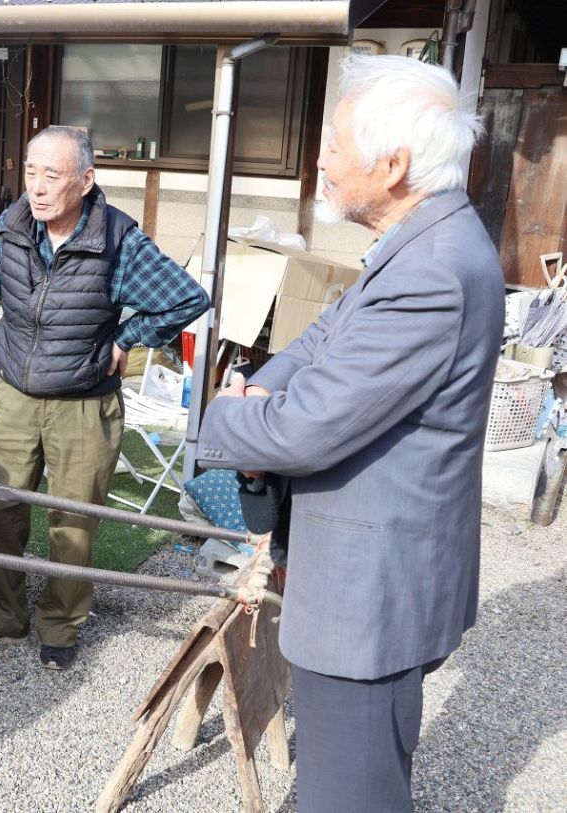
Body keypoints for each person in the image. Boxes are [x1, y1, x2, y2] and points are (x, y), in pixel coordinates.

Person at [195, 55, 502, 812]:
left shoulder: (431, 269)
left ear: (393, 164)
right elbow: (322, 336)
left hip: (369, 596)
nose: (320, 159)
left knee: (351, 794)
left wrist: (227, 412)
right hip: (372, 574)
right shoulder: (418, 241)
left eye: (334, 144)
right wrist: (265, 381)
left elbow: (307, 428)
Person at [0, 126, 209, 671]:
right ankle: (2, 616)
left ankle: (61, 625)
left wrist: (126, 342)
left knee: (72, 522)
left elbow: (187, 299)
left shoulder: (117, 242)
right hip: (15, 390)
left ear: (86, 181)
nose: (37, 188)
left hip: (85, 403)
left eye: (53, 176)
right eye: (31, 173)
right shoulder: (14, 226)